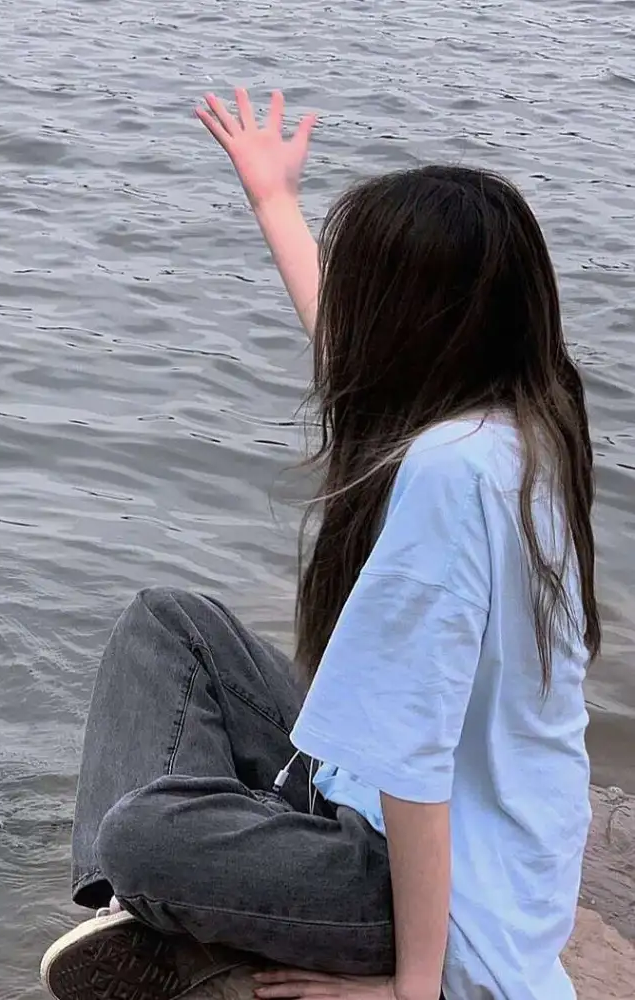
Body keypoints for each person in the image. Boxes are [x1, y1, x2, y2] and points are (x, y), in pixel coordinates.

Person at [38, 88, 600, 1000]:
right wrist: (274, 200)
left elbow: (415, 759)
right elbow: (346, 351)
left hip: (430, 894)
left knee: (137, 836)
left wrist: (414, 987)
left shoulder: (451, 474)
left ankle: (149, 904)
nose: (347, 315)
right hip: (389, 818)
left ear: (411, 326)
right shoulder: (525, 420)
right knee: (171, 626)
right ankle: (133, 927)